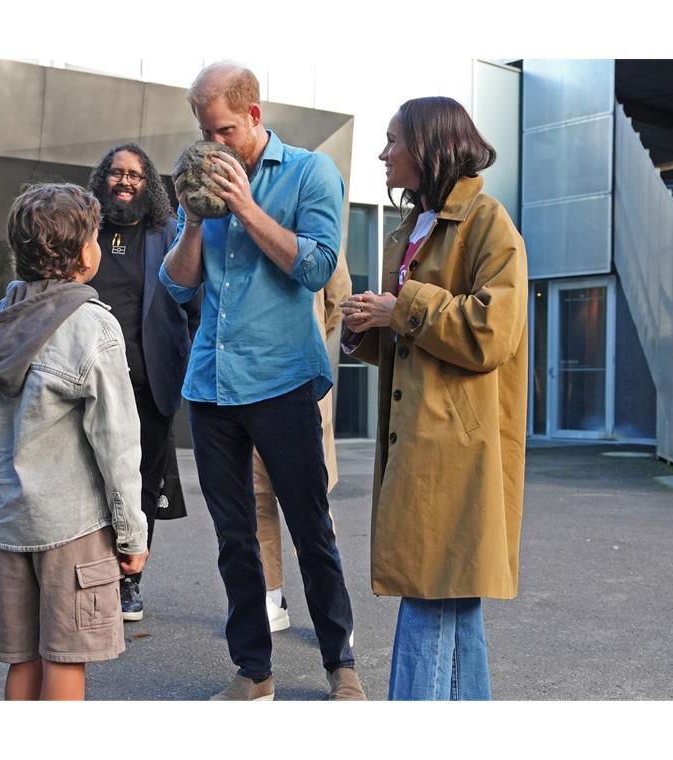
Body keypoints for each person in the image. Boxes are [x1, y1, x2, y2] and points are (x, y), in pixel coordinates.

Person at [159, 62, 365, 701]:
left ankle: (340, 663)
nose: (213, 145)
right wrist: (196, 218)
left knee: (311, 528)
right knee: (234, 539)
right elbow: (175, 283)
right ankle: (254, 671)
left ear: (253, 114)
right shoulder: (202, 183)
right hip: (212, 386)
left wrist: (245, 207)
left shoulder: (309, 173)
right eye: (204, 132)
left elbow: (315, 266)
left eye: (223, 130)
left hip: (281, 378)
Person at [341, 96, 528, 700]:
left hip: (457, 448)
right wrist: (369, 327)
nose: (383, 153)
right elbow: (415, 339)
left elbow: (493, 332)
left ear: (429, 146)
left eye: (393, 140)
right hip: (423, 441)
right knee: (452, 603)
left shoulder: (487, 222)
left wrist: (404, 309)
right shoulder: (415, 227)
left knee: (430, 599)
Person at [0, 182, 149, 700]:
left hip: (10, 524)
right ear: (82, 253)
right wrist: (132, 536)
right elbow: (118, 445)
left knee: (23, 661)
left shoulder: (0, 320)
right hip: (72, 527)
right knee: (66, 662)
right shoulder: (91, 326)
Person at [86, 143, 200, 622]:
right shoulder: (85, 230)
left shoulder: (169, 234)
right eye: (116, 172)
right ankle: (91, 573)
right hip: (89, 381)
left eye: (135, 174)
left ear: (148, 182)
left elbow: (192, 305)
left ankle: (129, 581)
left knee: (141, 483)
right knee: (91, 480)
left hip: (149, 381)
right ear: (103, 179)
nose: (125, 181)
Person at [255, 256, 350, 633]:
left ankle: (332, 608)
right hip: (251, 377)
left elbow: (338, 297)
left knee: (312, 502)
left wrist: (308, 334)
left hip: (301, 377)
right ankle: (270, 595)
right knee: (257, 493)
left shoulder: (312, 210)